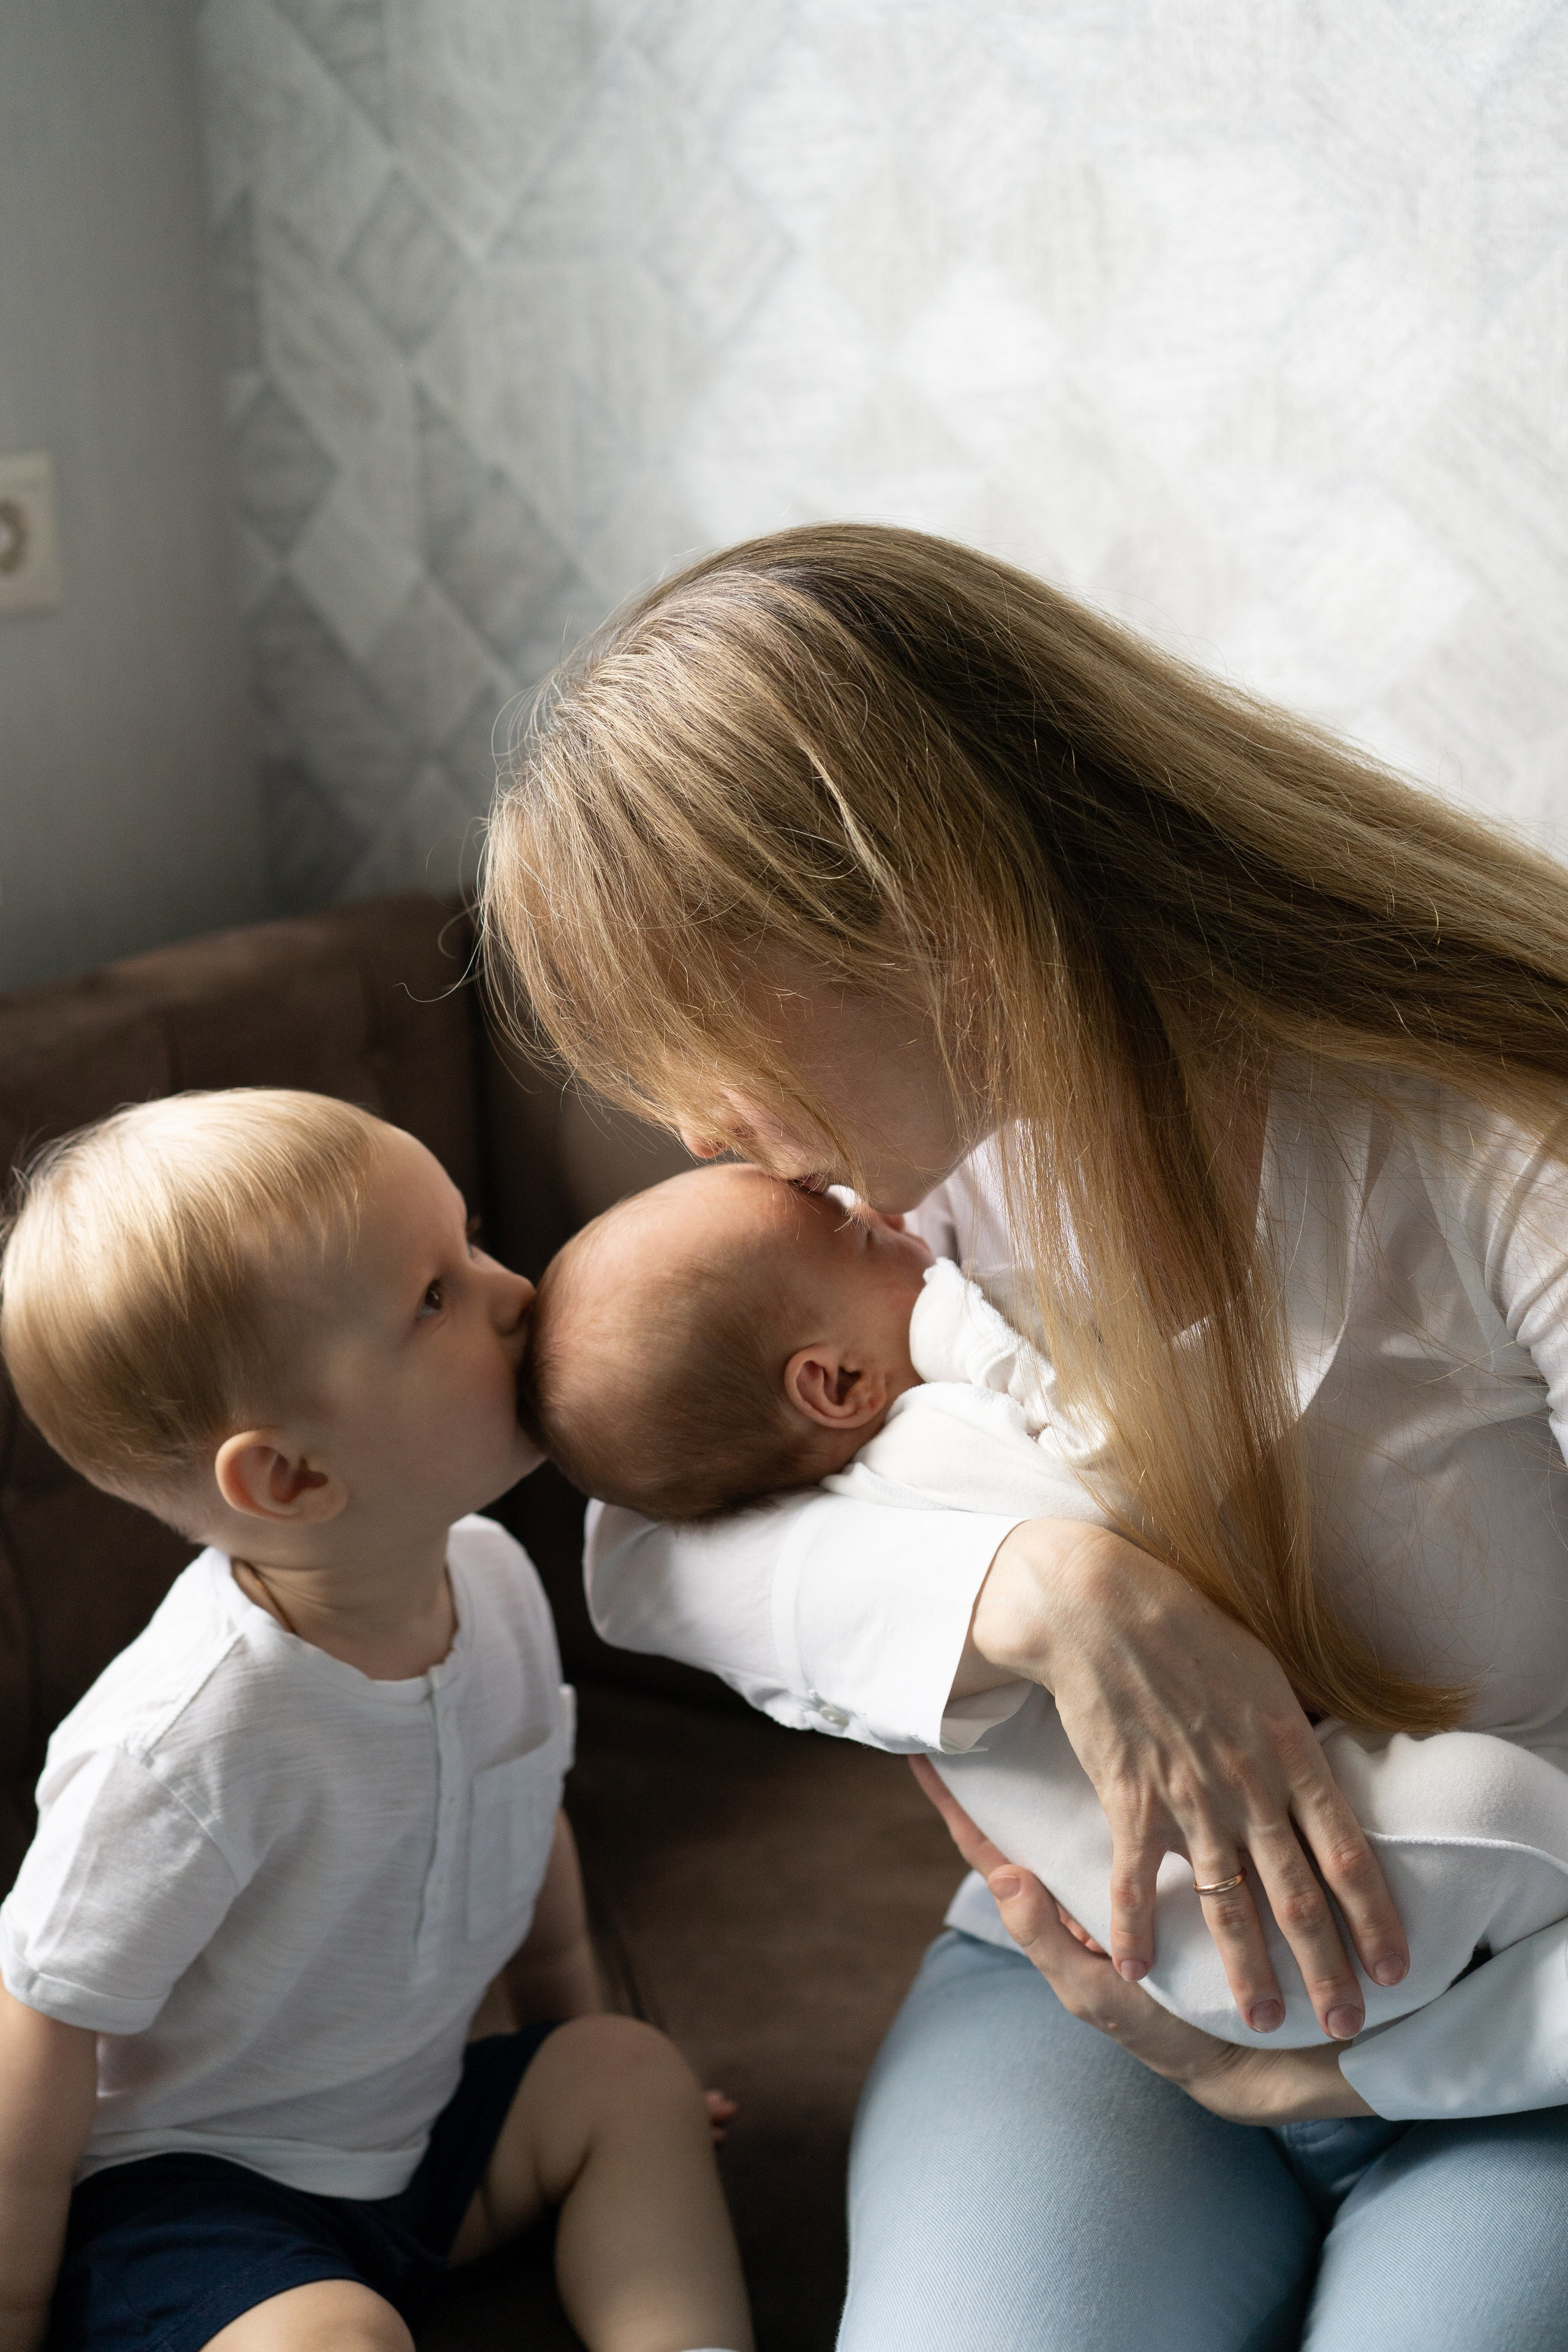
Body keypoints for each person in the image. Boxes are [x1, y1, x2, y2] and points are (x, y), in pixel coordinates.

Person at [481, 521, 1568, 2350]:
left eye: (692, 1034)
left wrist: (1393, 2076)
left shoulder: (1491, 1150)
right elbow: (652, 1541)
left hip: (1520, 2017)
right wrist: (1042, 1587)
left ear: (918, 907)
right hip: (1090, 2003)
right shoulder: (938, 1206)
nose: (692, 1129)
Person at [0, 1090, 751, 2352]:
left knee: (628, 2073)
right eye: (436, 1296)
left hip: (415, 2132)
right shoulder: (189, 1738)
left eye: (471, 1242)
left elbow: (529, 1821)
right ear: (290, 1477)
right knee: (334, 2336)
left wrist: (562, 2034)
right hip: (189, 2194)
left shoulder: (499, 1584)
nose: (516, 1290)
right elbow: (42, 2015)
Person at [521, 1156, 1568, 2051]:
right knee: (1492, 1805)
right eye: (856, 1236)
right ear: (833, 1387)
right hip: (1248, 1924)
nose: (886, 1216)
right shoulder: (932, 1444)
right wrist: (954, 1327)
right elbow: (1118, 1479)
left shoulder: (856, 1449)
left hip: (1227, 1934)